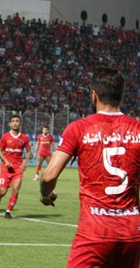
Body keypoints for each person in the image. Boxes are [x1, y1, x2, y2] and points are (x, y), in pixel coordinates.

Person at [40, 67, 140, 267]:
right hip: (132, 233)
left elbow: (49, 176)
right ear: (121, 96)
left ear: (94, 95)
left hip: (95, 233)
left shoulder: (79, 128)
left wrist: (45, 195)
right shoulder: (137, 129)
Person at [0, 115, 31, 219]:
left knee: (16, 189)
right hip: (6, 168)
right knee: (3, 191)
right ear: (10, 124)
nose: (15, 123)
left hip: (18, 168)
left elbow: (29, 151)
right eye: (13, 121)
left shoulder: (24, 138)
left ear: (20, 124)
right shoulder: (5, 137)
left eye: (17, 121)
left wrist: (24, 163)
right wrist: (6, 161)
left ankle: (8, 211)